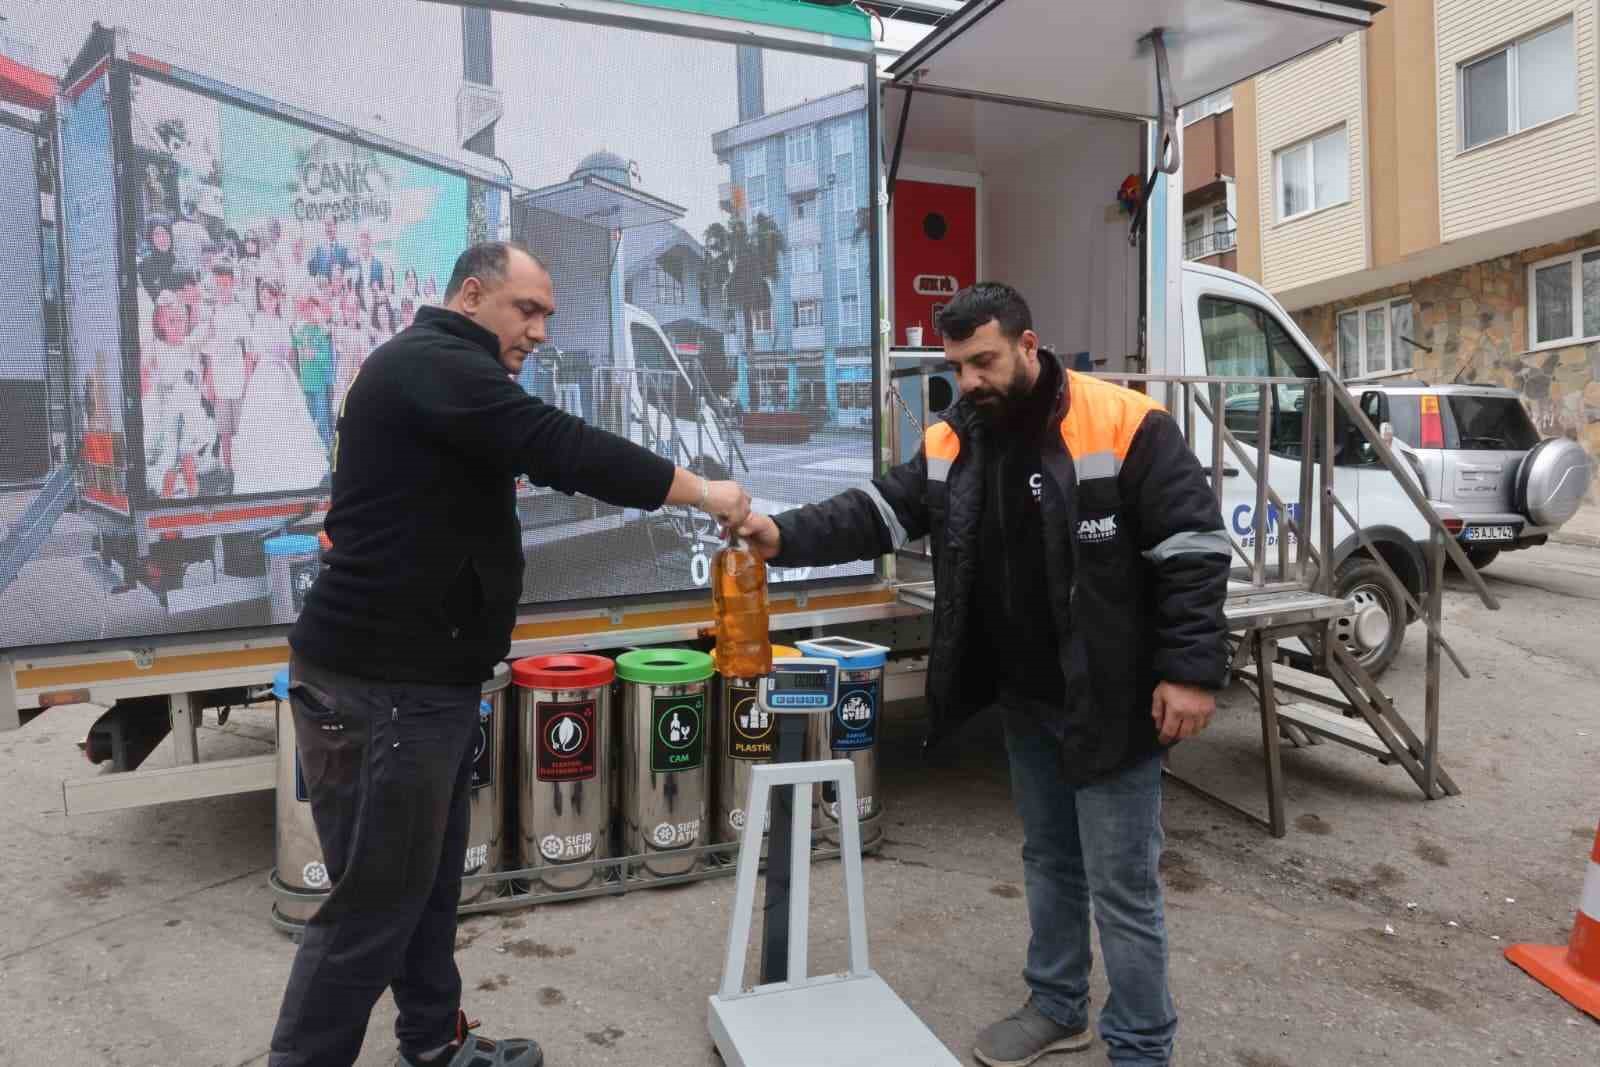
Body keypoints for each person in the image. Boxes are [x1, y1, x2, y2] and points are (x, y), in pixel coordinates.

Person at [271, 240, 752, 1067]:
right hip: (385, 693)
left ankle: (432, 1042)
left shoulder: (433, 372)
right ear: (470, 295)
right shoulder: (439, 364)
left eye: (547, 317)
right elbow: (563, 446)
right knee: (373, 909)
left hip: (421, 685)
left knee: (424, 891)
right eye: (525, 310)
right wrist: (704, 489)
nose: (538, 331)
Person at [734, 283, 1231, 1067]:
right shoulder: (956, 439)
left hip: (1112, 696)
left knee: (1123, 885)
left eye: (984, 361)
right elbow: (878, 512)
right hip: (1028, 696)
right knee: (1048, 858)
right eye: (957, 365)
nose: (969, 381)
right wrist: (779, 534)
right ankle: (1059, 1005)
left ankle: (1142, 1045)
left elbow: (1193, 551)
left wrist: (1192, 673)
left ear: (1030, 346)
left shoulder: (1125, 423)